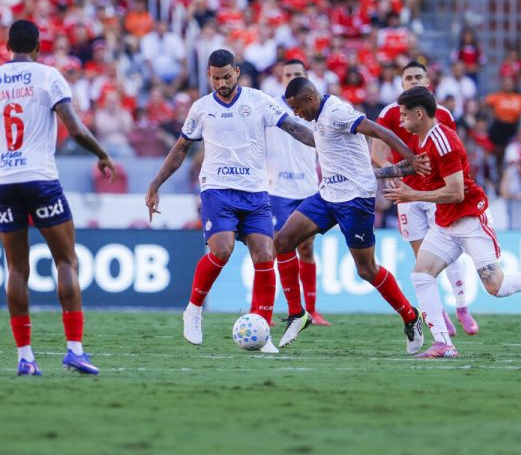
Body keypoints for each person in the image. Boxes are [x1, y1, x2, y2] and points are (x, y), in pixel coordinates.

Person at [385, 87, 521, 359]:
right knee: (421, 275)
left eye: (404, 115)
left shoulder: (444, 141)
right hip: (445, 222)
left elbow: (456, 192)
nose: (400, 120)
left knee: (498, 287)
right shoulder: (424, 140)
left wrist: (412, 195)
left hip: (470, 218)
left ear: (419, 114)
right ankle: (444, 343)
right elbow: (417, 171)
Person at [0, 20, 117, 376]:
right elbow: (75, 129)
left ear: (7, 46)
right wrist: (102, 154)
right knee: (66, 261)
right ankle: (74, 350)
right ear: (37, 47)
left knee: (16, 269)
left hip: (5, 182)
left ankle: (25, 357)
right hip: (41, 179)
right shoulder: (48, 76)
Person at [145, 49, 319, 354]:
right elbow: (181, 149)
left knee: (266, 255)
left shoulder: (259, 101)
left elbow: (294, 128)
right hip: (218, 190)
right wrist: (155, 184)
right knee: (222, 249)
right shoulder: (201, 108)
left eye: (227, 76)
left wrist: (325, 143)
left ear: (236, 72)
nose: (222, 83)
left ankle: (263, 332)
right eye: (215, 77)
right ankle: (193, 310)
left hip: (255, 192)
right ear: (209, 75)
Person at [273, 76, 430, 353]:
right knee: (283, 241)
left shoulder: (338, 112)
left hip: (355, 200)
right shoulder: (318, 118)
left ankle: (410, 316)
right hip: (326, 196)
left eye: (297, 108)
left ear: (310, 99)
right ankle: (298, 313)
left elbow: (378, 131)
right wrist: (284, 123)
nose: (297, 113)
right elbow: (315, 139)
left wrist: (410, 156)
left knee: (366, 270)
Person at [372, 60, 479, 335]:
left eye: (419, 76)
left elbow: (453, 153)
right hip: (406, 194)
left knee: (449, 251)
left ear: (428, 81)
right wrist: (392, 172)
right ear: (402, 84)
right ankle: (440, 312)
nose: (414, 81)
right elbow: (376, 151)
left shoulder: (442, 113)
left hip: (435, 193)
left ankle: (462, 307)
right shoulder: (390, 113)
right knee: (423, 257)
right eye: (409, 78)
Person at [265, 59, 330, 326]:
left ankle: (311, 310)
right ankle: (262, 307)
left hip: (307, 187)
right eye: (288, 74)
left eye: (297, 74)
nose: (292, 77)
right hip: (277, 187)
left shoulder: (316, 108)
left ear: (306, 78)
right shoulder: (269, 106)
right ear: (282, 78)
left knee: (306, 247)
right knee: (273, 245)